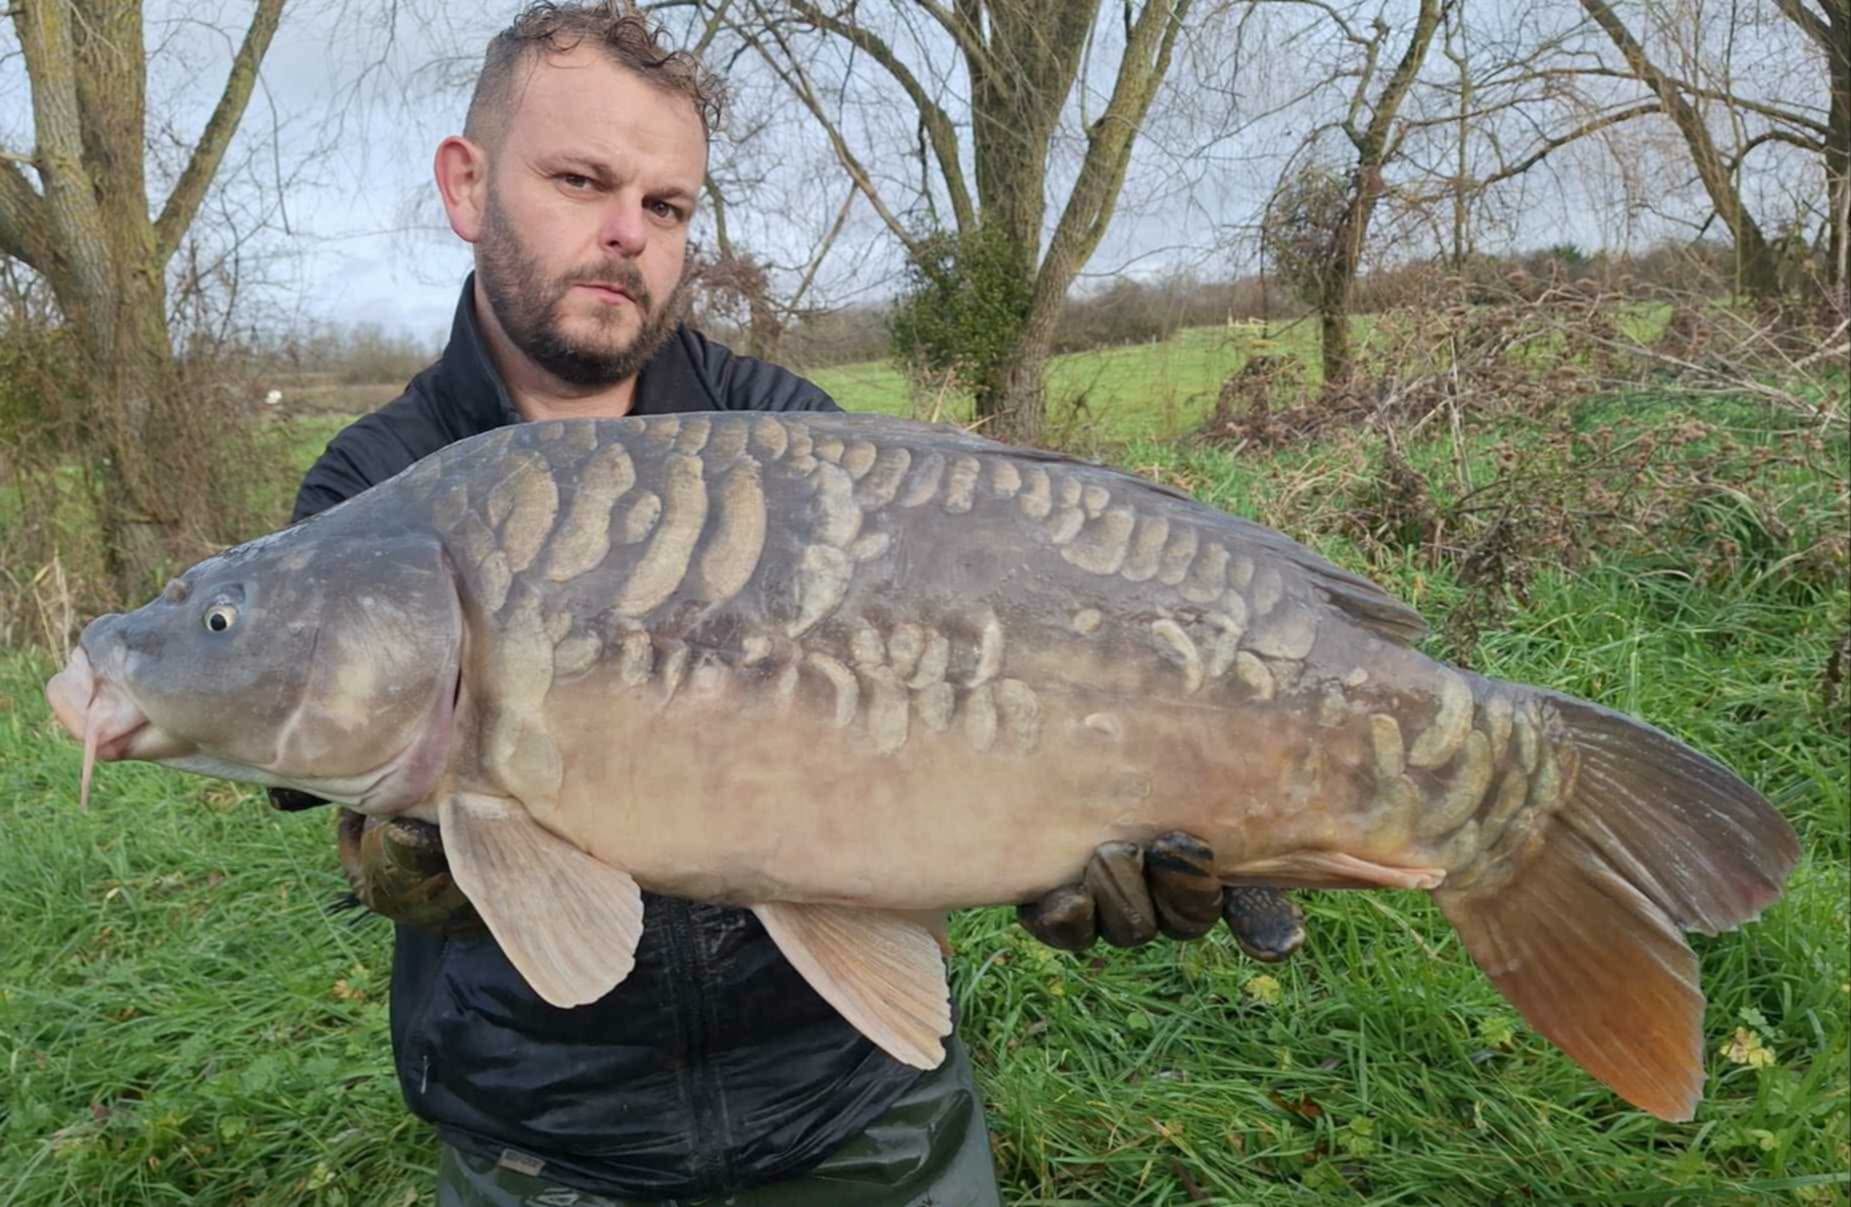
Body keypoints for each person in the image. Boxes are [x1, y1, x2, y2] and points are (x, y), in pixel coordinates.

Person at [272, 5, 1306, 1204]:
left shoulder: (795, 447)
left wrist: (1085, 811)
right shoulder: (376, 485)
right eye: (579, 180)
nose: (626, 235)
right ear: (467, 184)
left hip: (853, 1102)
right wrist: (423, 833)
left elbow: (965, 688)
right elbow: (355, 831)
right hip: (547, 1141)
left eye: (665, 207)